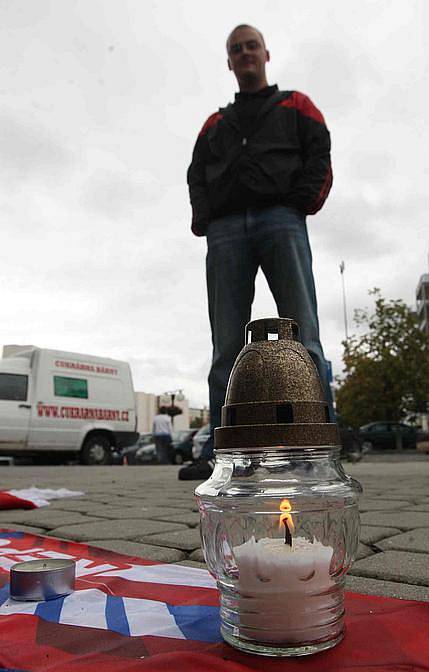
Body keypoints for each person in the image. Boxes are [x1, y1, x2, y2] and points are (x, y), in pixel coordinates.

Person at [179, 24, 334, 481]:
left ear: (266, 53)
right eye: (235, 50)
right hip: (226, 230)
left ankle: (317, 448)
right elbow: (196, 172)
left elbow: (319, 151)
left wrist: (302, 202)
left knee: (302, 335)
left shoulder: (295, 104)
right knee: (226, 344)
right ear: (229, 62)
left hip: (281, 219)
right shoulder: (215, 123)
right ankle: (222, 455)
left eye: (251, 46)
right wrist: (204, 218)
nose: (244, 54)